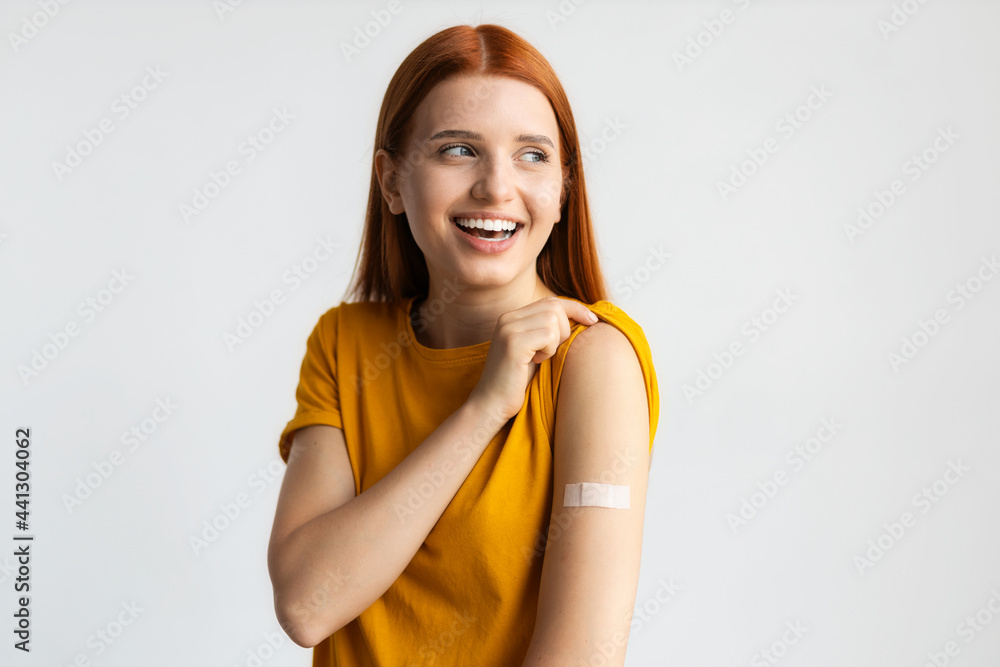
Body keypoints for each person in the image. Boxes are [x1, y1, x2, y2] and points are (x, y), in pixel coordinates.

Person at [267, 23, 660, 666]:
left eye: (532, 155)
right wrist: (482, 410)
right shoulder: (343, 344)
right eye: (458, 150)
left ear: (562, 190)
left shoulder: (594, 362)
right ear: (392, 182)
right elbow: (308, 604)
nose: (496, 189)